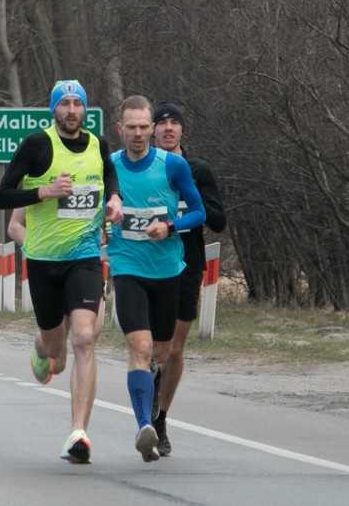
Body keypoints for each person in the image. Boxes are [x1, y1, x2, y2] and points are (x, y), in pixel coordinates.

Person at [0, 80, 123, 464]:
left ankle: (78, 434)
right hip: (44, 261)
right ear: (54, 110)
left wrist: (115, 200)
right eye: (64, 104)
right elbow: (2, 196)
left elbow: (109, 178)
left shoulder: (99, 145)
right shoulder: (37, 145)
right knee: (56, 349)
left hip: (84, 258)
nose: (71, 110)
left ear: (85, 110)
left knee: (84, 338)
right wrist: (44, 193)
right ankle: (40, 347)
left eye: (77, 104)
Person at [106, 95, 205, 463]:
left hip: (166, 271)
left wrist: (170, 226)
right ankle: (144, 426)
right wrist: (104, 221)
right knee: (141, 348)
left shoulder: (173, 166)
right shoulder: (110, 167)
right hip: (127, 268)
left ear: (152, 128)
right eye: (130, 127)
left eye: (143, 127)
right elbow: (94, 212)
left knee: (161, 352)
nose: (137, 133)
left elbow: (199, 211)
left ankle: (147, 390)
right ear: (120, 129)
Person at [150, 102, 227, 456]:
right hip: (146, 264)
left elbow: (218, 220)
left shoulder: (197, 170)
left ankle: (161, 419)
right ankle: (149, 385)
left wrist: (189, 199)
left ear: (182, 131)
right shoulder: (141, 168)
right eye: (161, 123)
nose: (168, 128)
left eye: (174, 123)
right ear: (151, 130)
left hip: (187, 264)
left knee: (175, 350)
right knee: (151, 347)